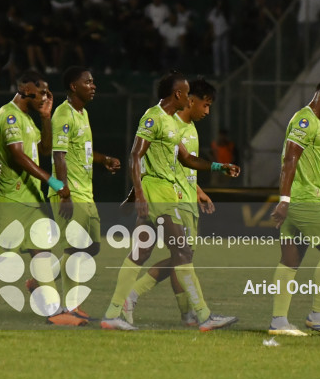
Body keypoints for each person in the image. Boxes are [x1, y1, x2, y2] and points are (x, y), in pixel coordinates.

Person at [101, 71, 240, 332]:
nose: (188, 99)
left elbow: (187, 160)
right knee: (182, 252)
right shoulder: (153, 117)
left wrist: (219, 167)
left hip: (164, 193)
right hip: (159, 195)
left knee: (140, 253)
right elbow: (135, 155)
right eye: (187, 94)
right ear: (178, 94)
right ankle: (203, 316)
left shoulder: (172, 123)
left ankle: (112, 313)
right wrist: (138, 195)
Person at [0, 70, 83, 326]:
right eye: (41, 91)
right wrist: (54, 182)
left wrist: (45, 118)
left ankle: (53, 311)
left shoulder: (28, 119)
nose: (45, 97)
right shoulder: (8, 115)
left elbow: (43, 150)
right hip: (12, 197)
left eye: (47, 92)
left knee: (42, 250)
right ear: (24, 88)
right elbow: (18, 156)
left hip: (30, 198)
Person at [122, 78, 221, 326]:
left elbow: (182, 165)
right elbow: (144, 160)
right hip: (172, 200)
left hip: (183, 197)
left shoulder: (187, 128)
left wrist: (198, 190)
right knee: (181, 255)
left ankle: (186, 313)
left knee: (178, 256)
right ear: (189, 99)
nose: (207, 111)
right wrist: (138, 194)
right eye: (205, 105)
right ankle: (134, 297)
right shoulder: (167, 122)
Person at [268, 78, 320, 337]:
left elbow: (306, 165)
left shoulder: (313, 122)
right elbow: (289, 159)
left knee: (290, 260)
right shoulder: (306, 121)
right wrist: (284, 200)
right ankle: (318, 316)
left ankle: (279, 321)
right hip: (302, 200)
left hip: (299, 197)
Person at [46, 66, 121, 319]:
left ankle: (45, 277)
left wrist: (104, 159)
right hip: (70, 192)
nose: (93, 85)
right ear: (73, 87)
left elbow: (84, 151)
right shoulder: (62, 114)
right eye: (88, 82)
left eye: (93, 81)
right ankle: (70, 307)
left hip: (85, 193)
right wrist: (64, 193)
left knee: (93, 248)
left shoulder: (83, 113)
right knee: (75, 249)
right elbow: (59, 154)